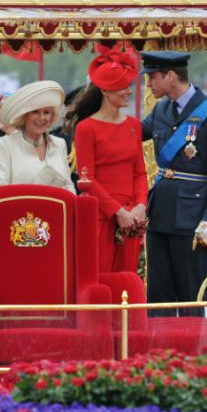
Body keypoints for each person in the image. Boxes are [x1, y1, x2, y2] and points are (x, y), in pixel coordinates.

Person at [140, 51, 207, 317]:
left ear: (171, 76)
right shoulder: (160, 110)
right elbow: (130, 135)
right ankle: (159, 356)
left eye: (152, 77)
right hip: (159, 215)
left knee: (191, 295)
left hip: (192, 219)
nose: (148, 84)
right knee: (158, 298)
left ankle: (192, 357)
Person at [72, 45, 147, 273]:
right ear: (105, 90)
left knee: (127, 279)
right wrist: (117, 211)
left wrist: (140, 206)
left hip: (131, 219)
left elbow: (139, 172)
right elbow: (87, 179)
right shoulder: (86, 128)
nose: (128, 91)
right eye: (122, 87)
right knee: (100, 278)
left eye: (129, 86)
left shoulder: (134, 125)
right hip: (101, 216)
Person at [0, 81, 75, 193]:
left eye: (46, 112)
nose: (41, 118)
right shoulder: (4, 144)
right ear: (24, 116)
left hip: (54, 209)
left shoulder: (60, 144)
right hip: (18, 209)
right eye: (35, 112)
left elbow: (68, 187)